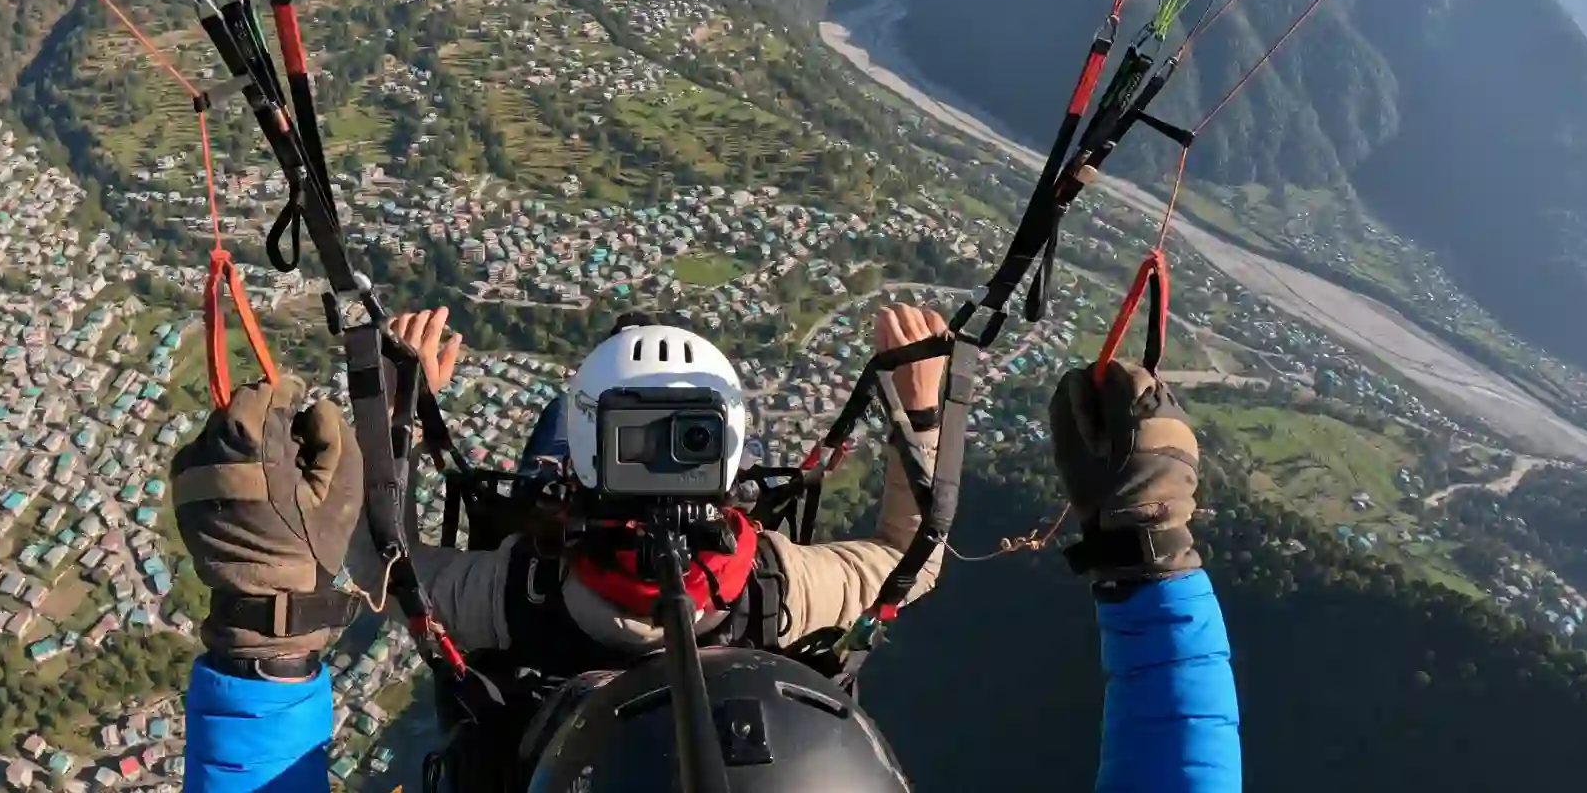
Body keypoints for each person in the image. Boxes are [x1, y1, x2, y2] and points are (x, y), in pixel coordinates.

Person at [174, 309, 1240, 792]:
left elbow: (389, 567)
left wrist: (386, 441)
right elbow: (897, 565)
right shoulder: (779, 583)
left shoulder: (517, 594)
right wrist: (1145, 548)